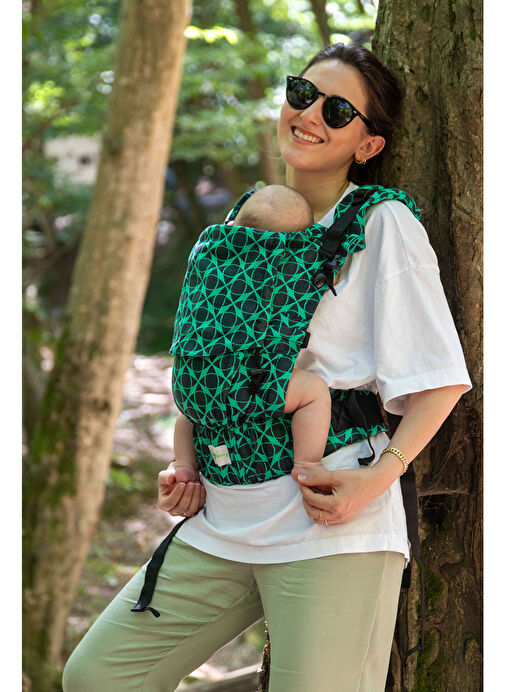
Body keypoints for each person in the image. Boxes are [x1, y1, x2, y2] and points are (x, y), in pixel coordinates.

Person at [62, 43, 472, 692]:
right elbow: (218, 358)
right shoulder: (243, 219)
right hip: (224, 515)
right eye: (302, 94)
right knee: (99, 677)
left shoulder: (381, 224)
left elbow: (439, 378)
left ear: (368, 145)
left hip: (329, 522)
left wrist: (376, 480)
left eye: (337, 111)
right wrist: (188, 465)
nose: (309, 115)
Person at [173, 184, 333, 491]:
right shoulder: (284, 263)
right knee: (313, 391)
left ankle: (184, 465)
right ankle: (308, 465)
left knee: (189, 415)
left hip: (189, 384)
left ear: (235, 223)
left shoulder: (206, 251)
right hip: (243, 386)